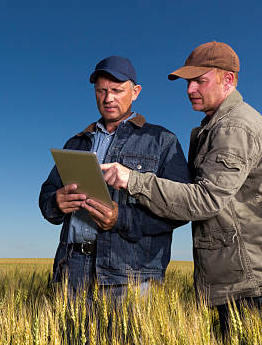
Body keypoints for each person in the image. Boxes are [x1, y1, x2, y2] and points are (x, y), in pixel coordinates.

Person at [101, 42, 262, 334]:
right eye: (187, 82)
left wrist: (133, 179)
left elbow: (206, 200)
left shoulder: (235, 128)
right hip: (238, 274)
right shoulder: (217, 126)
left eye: (199, 81)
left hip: (251, 279)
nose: (190, 89)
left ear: (228, 80)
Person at [39, 55, 189, 299]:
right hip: (72, 269)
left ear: (135, 92)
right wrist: (56, 202)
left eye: (117, 90)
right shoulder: (76, 143)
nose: (108, 98)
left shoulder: (162, 141)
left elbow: (181, 209)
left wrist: (122, 218)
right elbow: (47, 195)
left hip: (129, 274)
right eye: (101, 91)